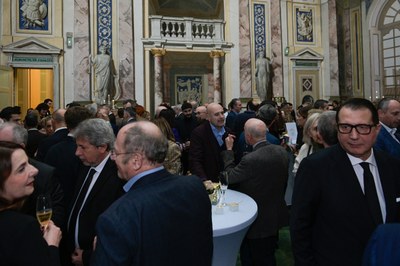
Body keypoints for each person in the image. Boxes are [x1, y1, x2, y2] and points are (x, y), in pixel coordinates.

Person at [290, 98, 400, 265]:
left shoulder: (392, 166)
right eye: (346, 127)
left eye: (363, 127)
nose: (354, 136)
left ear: (377, 129)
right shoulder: (315, 168)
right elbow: (300, 228)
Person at [91, 121, 213, 265]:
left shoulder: (116, 218)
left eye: (116, 153)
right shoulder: (194, 186)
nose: (112, 158)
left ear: (136, 160)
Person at [222, 118, 289, 266]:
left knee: (254, 257)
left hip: (257, 221)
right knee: (268, 255)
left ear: (248, 137)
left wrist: (228, 151)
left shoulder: (250, 159)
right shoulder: (281, 151)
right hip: (275, 214)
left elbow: (229, 177)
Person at [66, 118, 124, 266]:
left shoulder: (118, 176)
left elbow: (119, 231)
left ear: (102, 147)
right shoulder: (84, 165)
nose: (77, 153)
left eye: (83, 147)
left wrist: (89, 257)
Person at [0, 141, 62, 265]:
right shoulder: (23, 227)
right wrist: (51, 246)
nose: (35, 170)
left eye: (29, 162)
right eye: (21, 169)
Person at [0, 122, 65, 227]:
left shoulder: (45, 174)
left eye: (5, 146)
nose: (34, 171)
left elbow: (56, 214)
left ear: (21, 147)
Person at [189, 102, 230, 182]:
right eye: (216, 114)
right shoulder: (199, 133)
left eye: (222, 113)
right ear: (208, 117)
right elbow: (195, 160)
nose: (221, 117)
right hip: (208, 181)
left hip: (227, 183)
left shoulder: (229, 132)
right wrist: (203, 180)